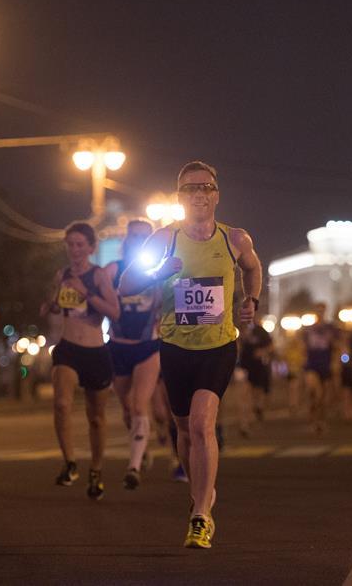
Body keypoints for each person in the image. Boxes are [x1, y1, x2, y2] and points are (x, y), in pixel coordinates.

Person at [120, 160, 262, 549]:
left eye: (206, 187)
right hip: (176, 347)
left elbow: (253, 269)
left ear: (216, 194)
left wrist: (252, 300)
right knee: (183, 429)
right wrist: (159, 271)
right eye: (190, 188)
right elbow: (125, 284)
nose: (199, 194)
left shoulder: (235, 240)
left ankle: (201, 515)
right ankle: (200, 489)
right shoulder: (164, 239)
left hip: (218, 346)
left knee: (202, 424)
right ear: (179, 196)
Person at [46, 222, 119, 500]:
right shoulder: (61, 274)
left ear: (90, 248)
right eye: (70, 244)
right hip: (67, 349)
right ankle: (71, 463)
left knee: (96, 419)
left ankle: (96, 471)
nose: (74, 250)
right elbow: (59, 304)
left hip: (95, 352)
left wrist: (86, 292)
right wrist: (50, 305)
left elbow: (115, 312)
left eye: (79, 244)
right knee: (62, 404)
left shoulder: (99, 276)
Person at [104, 219, 162, 490]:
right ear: (126, 239)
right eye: (135, 235)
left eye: (144, 236)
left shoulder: (157, 269)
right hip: (118, 345)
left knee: (140, 404)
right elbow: (95, 290)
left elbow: (167, 300)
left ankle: (134, 467)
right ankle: (142, 447)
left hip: (148, 347)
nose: (139, 240)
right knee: (127, 409)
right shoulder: (113, 270)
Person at [302, 302, 339, 434]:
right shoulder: (308, 329)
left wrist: (336, 362)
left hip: (325, 364)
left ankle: (320, 420)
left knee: (323, 397)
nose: (320, 313)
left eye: (322, 310)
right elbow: (303, 346)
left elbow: (337, 346)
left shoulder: (331, 328)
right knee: (315, 391)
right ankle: (314, 419)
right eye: (318, 310)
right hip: (312, 364)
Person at [237, 321, 274, 430]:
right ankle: (244, 423)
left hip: (258, 366)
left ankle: (258, 407)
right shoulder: (237, 328)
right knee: (243, 395)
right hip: (243, 366)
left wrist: (262, 351)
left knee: (257, 393)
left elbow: (271, 346)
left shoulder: (260, 330)